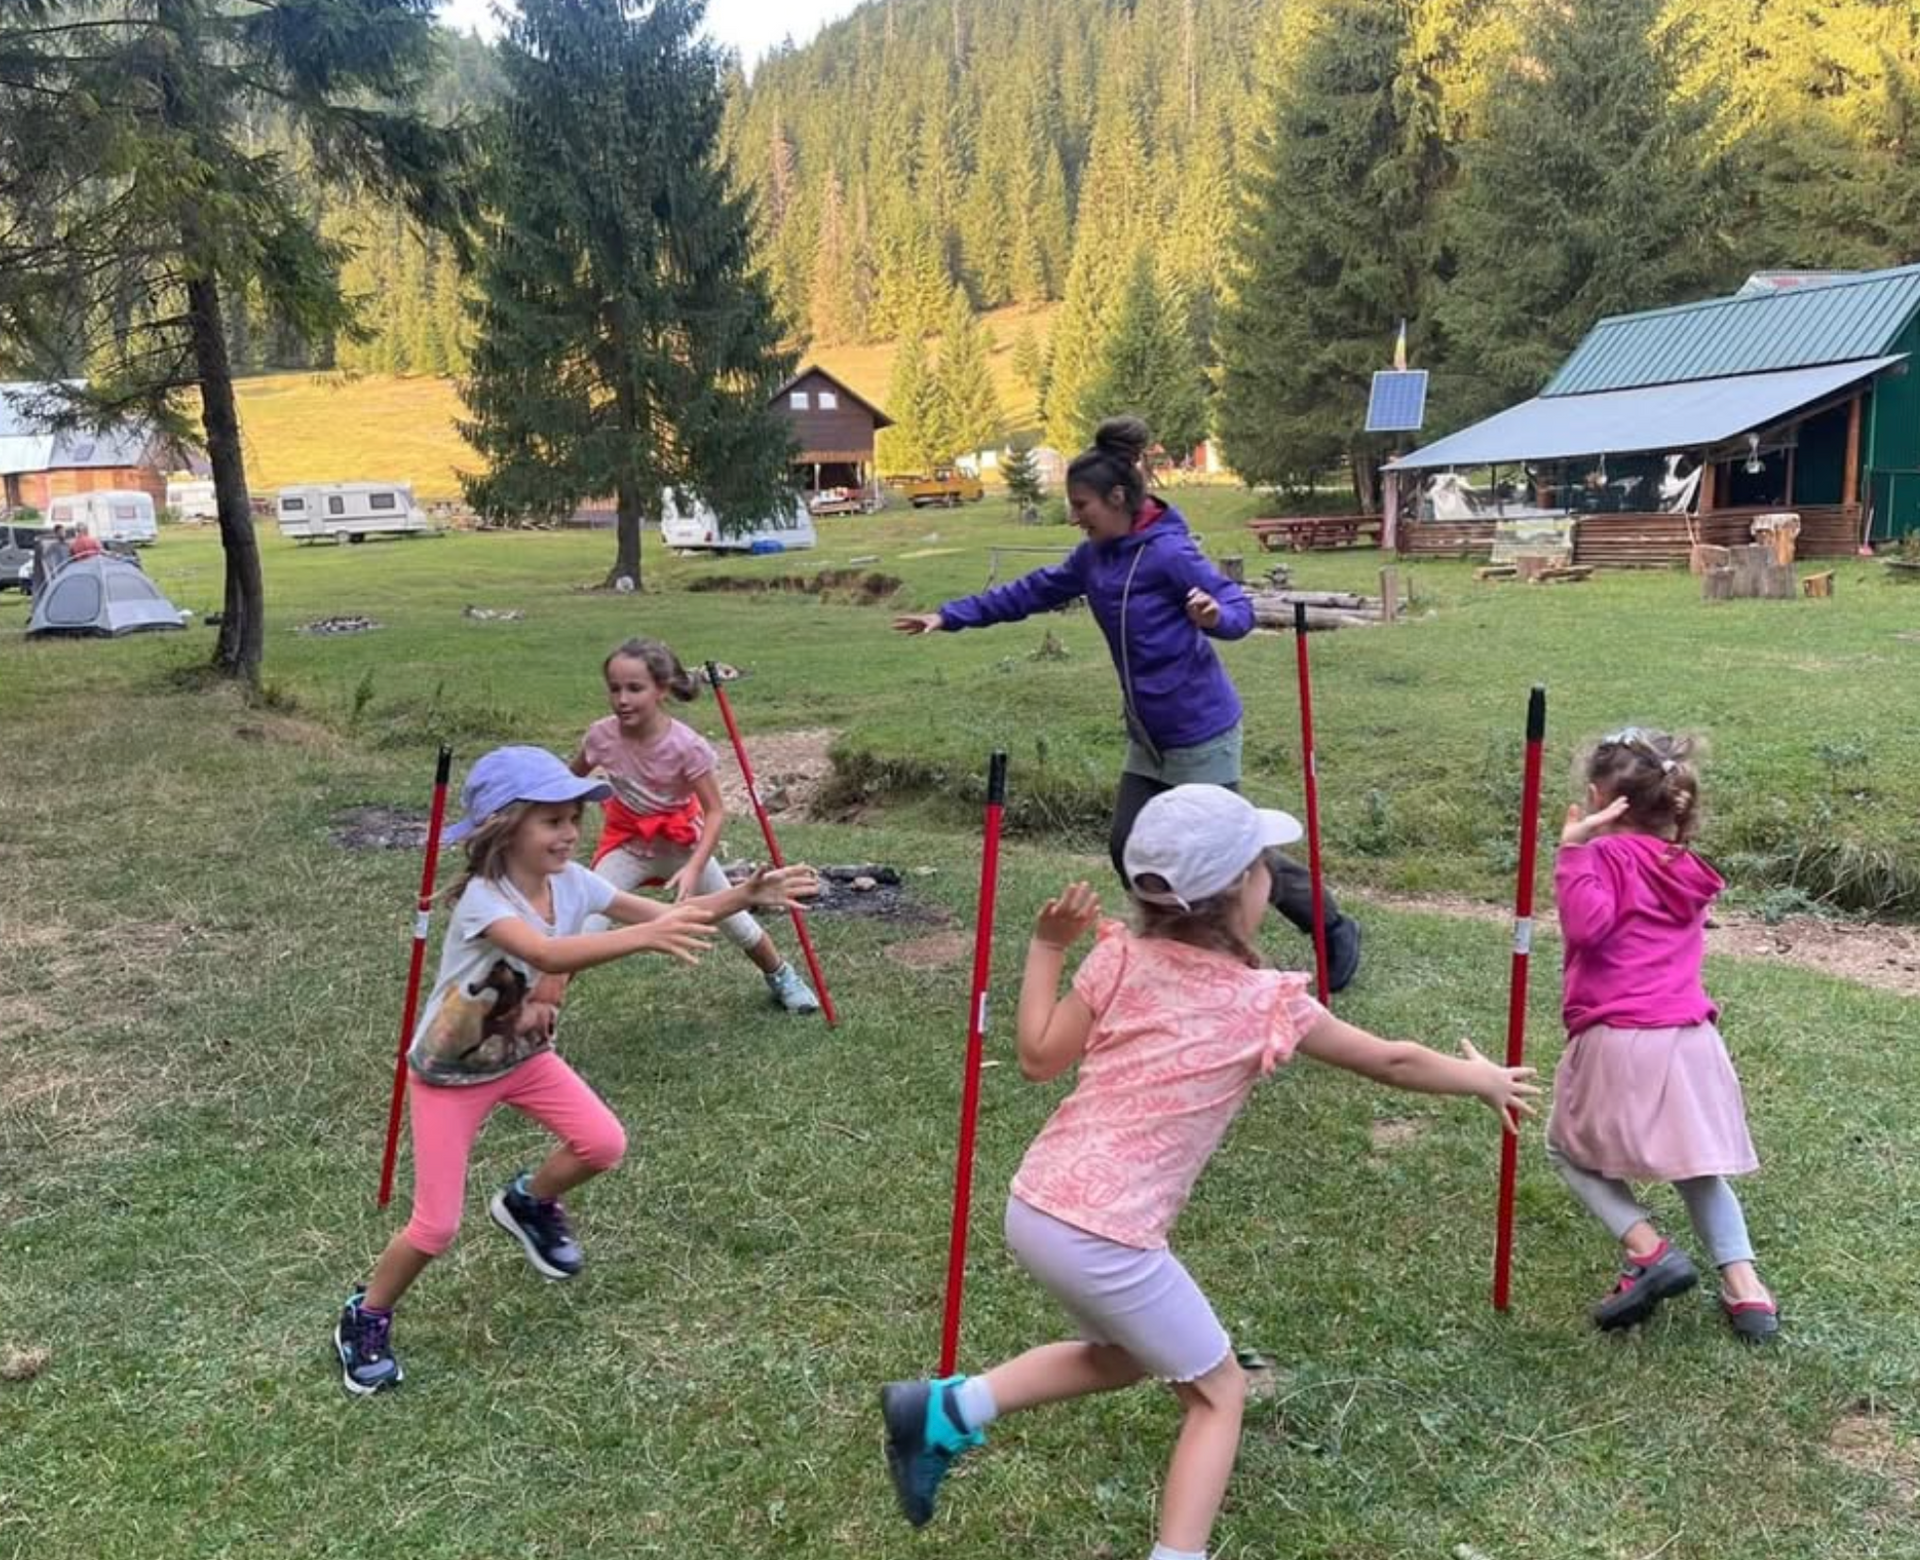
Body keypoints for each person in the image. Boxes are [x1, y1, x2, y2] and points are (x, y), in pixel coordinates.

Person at [878, 785, 1537, 1556]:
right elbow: (1388, 1061)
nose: (1270, 880)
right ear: (1240, 895)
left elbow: (1035, 1058)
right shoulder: (1266, 1002)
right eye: (1265, 869)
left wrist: (1048, 947)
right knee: (1218, 1394)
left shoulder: (1117, 957)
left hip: (1038, 1207)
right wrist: (1484, 1081)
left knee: (1126, 1356)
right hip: (1105, 1233)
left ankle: (945, 1412)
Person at [333, 746, 818, 1396]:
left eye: (572, 820)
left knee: (603, 1142)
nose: (568, 834)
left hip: (522, 1060)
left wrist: (745, 895)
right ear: (504, 827)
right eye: (551, 821)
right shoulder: (486, 898)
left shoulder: (576, 884)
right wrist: (642, 939)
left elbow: (674, 915)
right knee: (437, 1226)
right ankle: (366, 1316)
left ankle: (528, 1200)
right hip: (449, 1073)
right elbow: (545, 950)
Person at [893, 415, 1362, 992]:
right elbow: (1031, 591)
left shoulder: (1168, 553)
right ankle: (1182, 944)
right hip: (1148, 735)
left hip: (1200, 730)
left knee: (1231, 857)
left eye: (1081, 504)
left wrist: (1219, 619)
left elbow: (1232, 602)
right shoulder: (1093, 558)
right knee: (1129, 846)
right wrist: (949, 615)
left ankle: (1331, 924)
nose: (1073, 516)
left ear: (1117, 498)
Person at [1549, 728, 1777, 1341]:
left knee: (1567, 1149)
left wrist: (1571, 852)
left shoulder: (1597, 857)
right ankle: (1748, 1291)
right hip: (1692, 1039)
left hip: (1620, 1035)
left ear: (1599, 798)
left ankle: (1649, 1251)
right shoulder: (1684, 867)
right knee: (1697, 1166)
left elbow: (1589, 929)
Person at [569, 637, 822, 1014]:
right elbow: (568, 785)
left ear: (662, 689)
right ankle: (538, 1006)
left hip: (682, 846)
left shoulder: (687, 746)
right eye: (615, 688)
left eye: (634, 688)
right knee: (585, 927)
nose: (622, 699)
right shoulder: (600, 736)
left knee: (735, 920)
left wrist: (694, 867)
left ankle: (782, 975)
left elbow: (715, 811)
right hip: (627, 845)